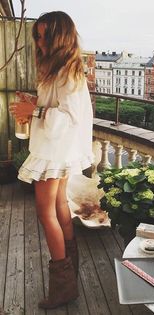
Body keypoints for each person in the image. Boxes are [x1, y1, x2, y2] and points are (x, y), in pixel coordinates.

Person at [9, 11, 93, 309]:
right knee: (59, 207)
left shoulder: (67, 71)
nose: (40, 41)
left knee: (47, 213)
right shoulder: (62, 68)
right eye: (38, 35)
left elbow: (69, 116)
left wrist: (32, 111)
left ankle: (63, 285)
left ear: (60, 37)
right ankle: (69, 272)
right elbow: (55, 106)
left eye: (44, 35)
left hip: (55, 152)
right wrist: (33, 103)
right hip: (60, 151)